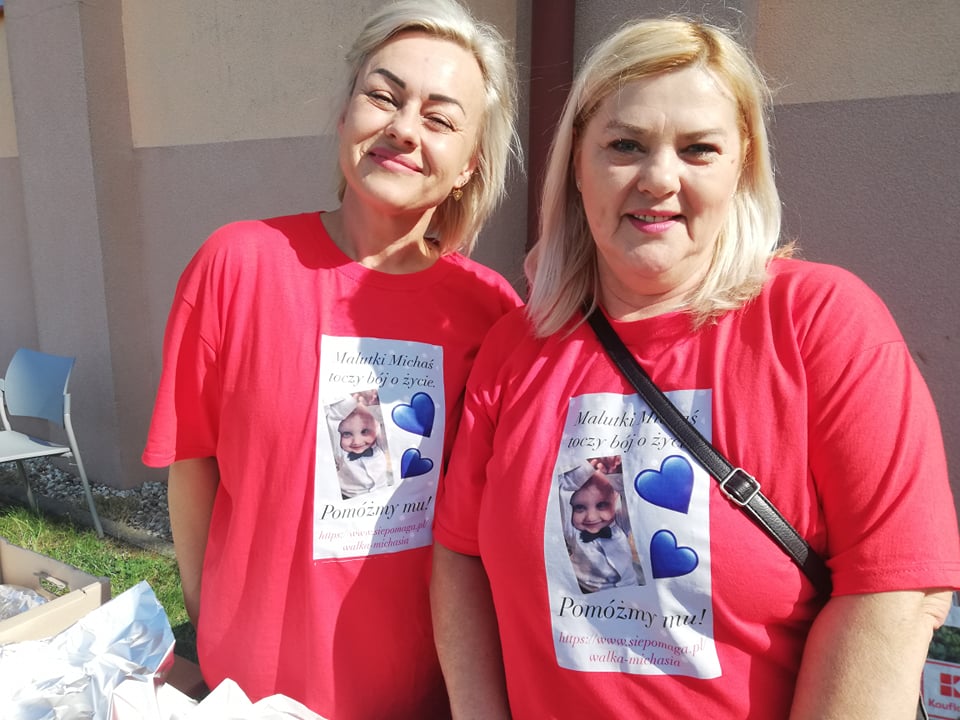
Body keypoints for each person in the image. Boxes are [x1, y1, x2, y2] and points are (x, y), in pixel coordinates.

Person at [431, 16, 960, 719]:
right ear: (578, 166)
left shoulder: (820, 323)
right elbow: (460, 554)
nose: (659, 179)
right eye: (625, 145)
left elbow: (894, 589)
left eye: (698, 149)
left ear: (741, 166)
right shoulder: (517, 347)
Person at [142, 0, 521, 716]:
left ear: (469, 165)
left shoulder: (489, 313)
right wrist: (212, 622)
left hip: (415, 696)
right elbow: (193, 466)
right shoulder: (237, 265)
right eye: (383, 95)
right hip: (249, 694)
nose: (403, 128)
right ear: (345, 113)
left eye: (440, 118)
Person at [562, 462, 644, 593]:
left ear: (615, 499)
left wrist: (612, 474)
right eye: (579, 508)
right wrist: (588, 467)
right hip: (589, 591)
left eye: (601, 505)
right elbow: (563, 489)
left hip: (630, 584)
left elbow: (631, 494)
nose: (591, 517)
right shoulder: (571, 530)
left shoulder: (620, 522)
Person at [330, 394, 393, 498]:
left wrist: (373, 404)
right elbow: (332, 419)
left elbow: (385, 419)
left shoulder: (380, 443)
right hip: (350, 496)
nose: (357, 441)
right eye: (346, 434)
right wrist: (355, 398)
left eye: (365, 431)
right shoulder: (339, 451)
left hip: (383, 491)